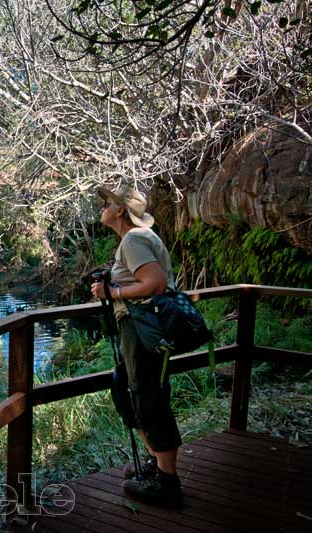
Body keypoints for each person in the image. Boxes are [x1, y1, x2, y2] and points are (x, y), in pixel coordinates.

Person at [90, 185, 183, 507]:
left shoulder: (134, 239)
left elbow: (155, 284)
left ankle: (167, 482)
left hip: (143, 328)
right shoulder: (140, 238)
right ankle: (156, 464)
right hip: (143, 328)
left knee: (148, 398)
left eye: (106, 203)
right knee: (131, 390)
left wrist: (111, 293)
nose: (101, 206)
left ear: (119, 211)